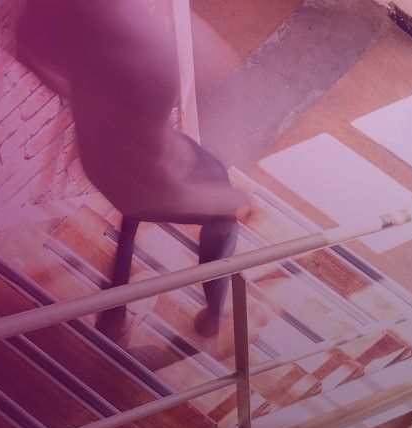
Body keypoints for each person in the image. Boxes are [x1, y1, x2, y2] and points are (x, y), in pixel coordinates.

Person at [14, 0, 252, 341]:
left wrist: (80, 101)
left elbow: (26, 51)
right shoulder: (151, 68)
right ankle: (213, 315)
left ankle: (113, 311)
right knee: (219, 216)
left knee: (134, 209)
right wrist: (231, 200)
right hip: (148, 183)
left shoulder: (53, 18)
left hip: (101, 166)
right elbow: (169, 189)